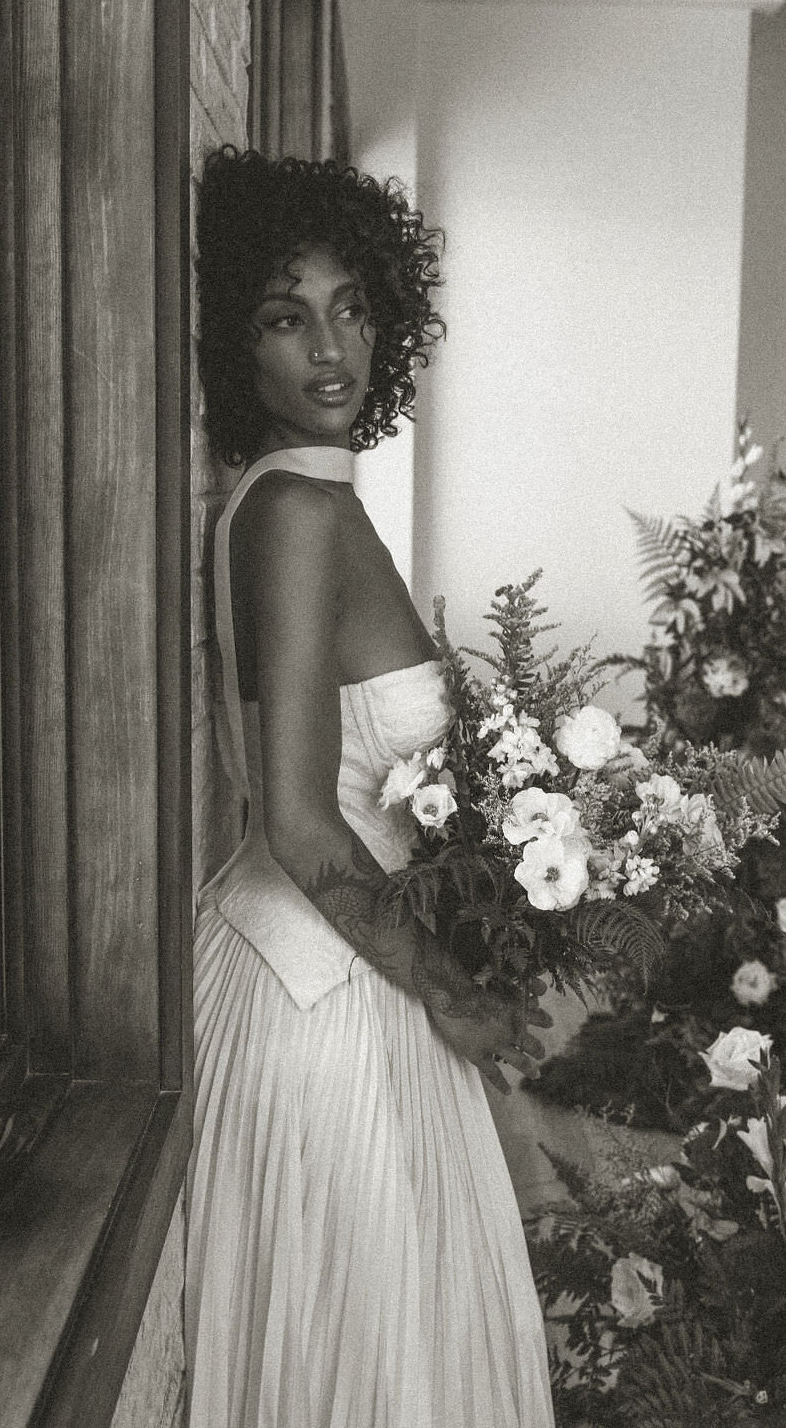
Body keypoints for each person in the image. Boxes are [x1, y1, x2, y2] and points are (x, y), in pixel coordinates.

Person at [185, 146, 556, 1428]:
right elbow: (297, 817)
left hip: (335, 972)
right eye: (286, 316)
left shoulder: (295, 500)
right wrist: (455, 999)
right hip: (326, 1004)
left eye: (351, 306)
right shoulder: (294, 514)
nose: (328, 346)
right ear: (237, 341)